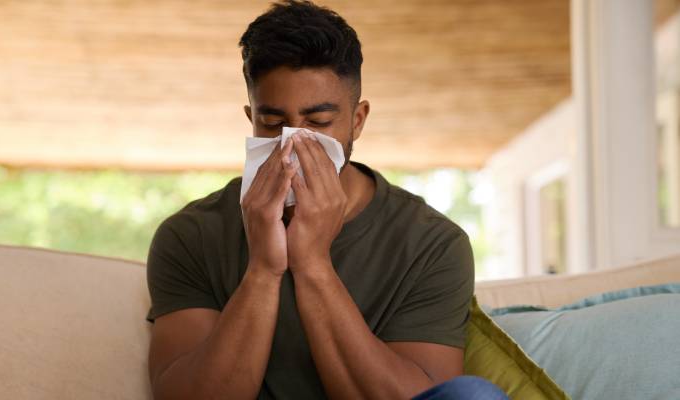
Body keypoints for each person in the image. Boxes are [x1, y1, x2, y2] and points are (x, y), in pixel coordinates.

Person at [145, 1, 508, 399]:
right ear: (250, 118)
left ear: (357, 120)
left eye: (318, 123)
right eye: (272, 123)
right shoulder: (191, 235)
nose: (294, 143)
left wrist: (313, 264)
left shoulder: (432, 244)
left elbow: (423, 398)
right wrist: (264, 269)